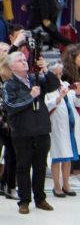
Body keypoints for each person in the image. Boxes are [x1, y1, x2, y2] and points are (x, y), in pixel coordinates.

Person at [3, 51, 58, 214]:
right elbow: (10, 107)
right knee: (23, 166)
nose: (24, 62)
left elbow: (54, 85)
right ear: (11, 66)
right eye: (19, 60)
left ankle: (40, 198)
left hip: (41, 128)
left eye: (24, 59)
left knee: (40, 166)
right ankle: (24, 200)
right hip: (22, 131)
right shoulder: (9, 84)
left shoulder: (35, 78)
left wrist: (46, 70)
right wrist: (30, 96)